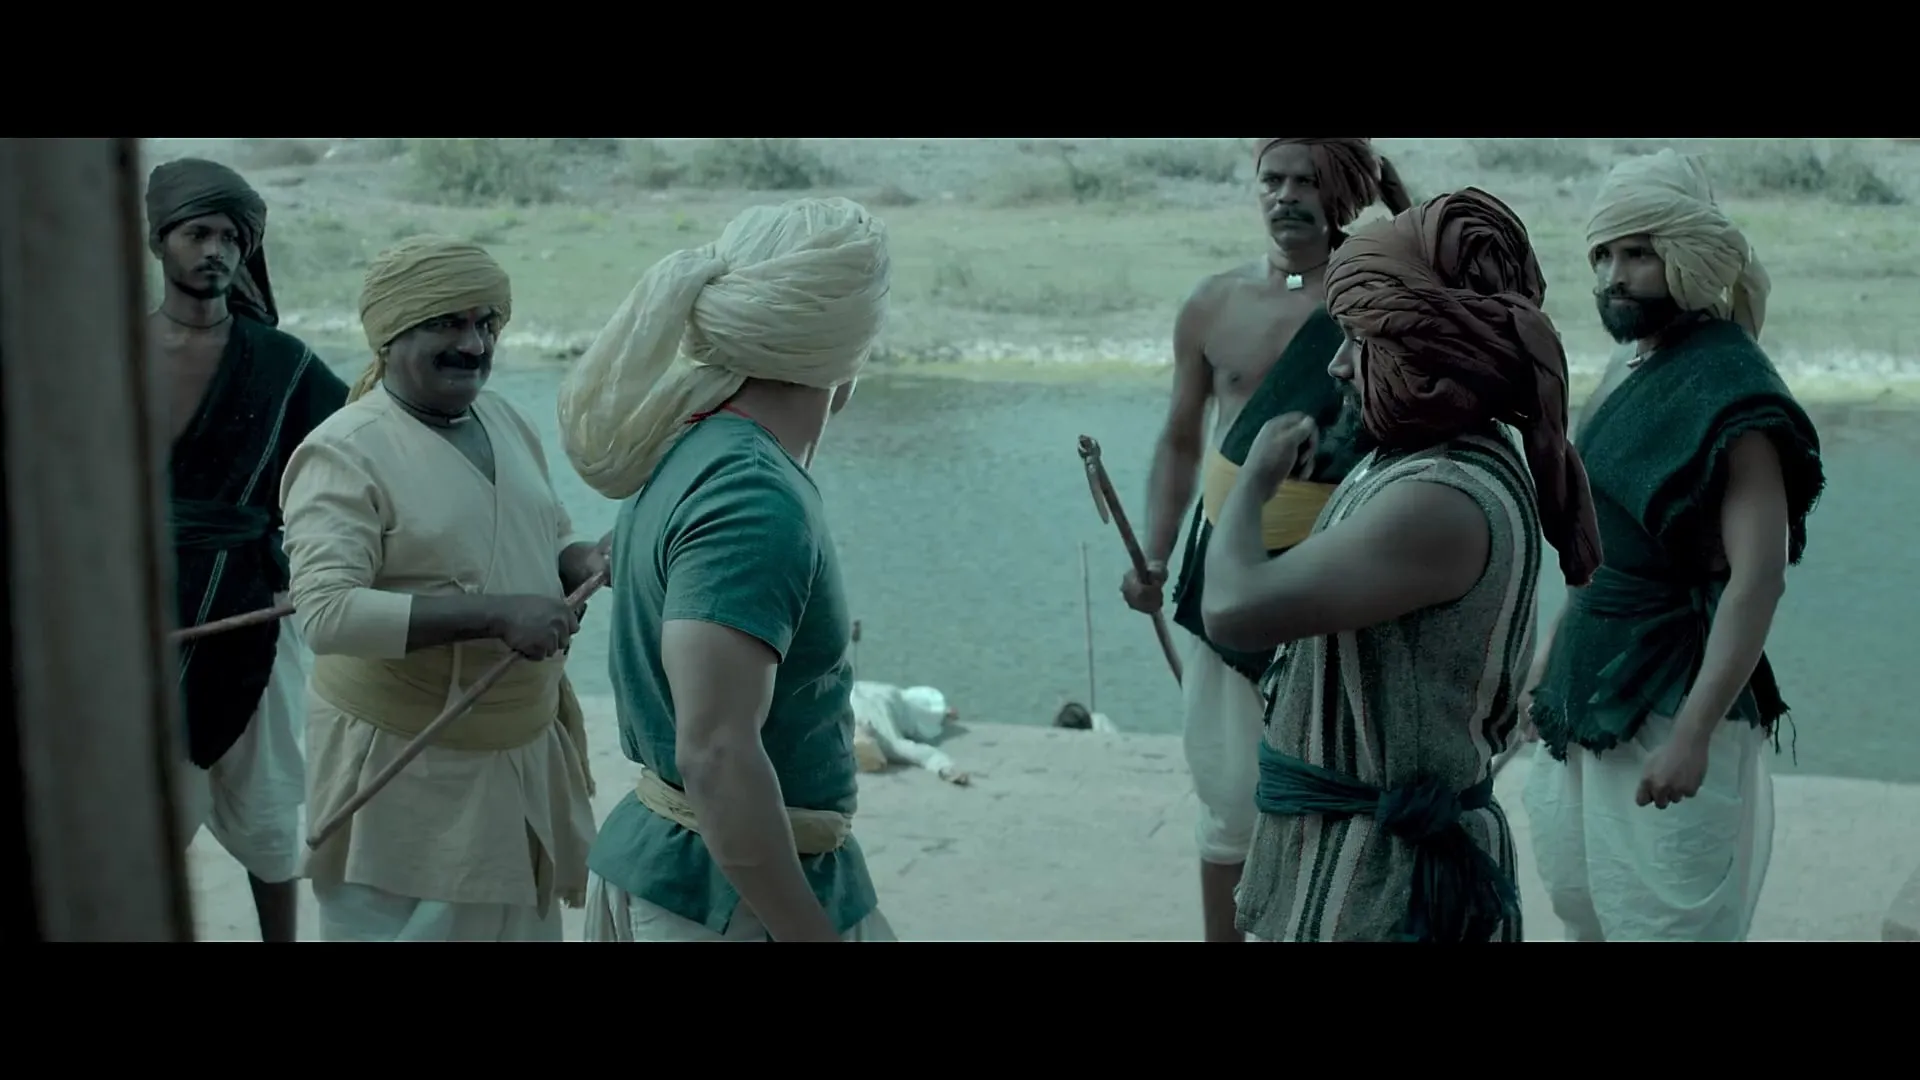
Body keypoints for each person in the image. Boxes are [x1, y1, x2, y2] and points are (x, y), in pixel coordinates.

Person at [1202, 187, 1606, 942]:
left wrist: (1252, 485)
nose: (1337, 366)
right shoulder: (1414, 460)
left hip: (1386, 893)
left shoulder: (1439, 497)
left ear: (1429, 355)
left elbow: (1231, 608)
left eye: (1360, 341)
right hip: (1352, 871)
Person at [557, 196, 895, 942]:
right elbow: (716, 754)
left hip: (704, 875)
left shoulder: (696, 446)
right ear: (848, 346)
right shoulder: (752, 493)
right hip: (721, 899)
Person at [1520, 149, 1825, 942]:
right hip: (1587, 677)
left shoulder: (1734, 392)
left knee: (1664, 925)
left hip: (1671, 689)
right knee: (1582, 902)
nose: (1613, 277)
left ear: (1687, 258)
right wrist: (1547, 659)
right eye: (1604, 255)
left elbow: (1758, 579)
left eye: (1639, 254)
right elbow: (1597, 544)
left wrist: (1692, 733)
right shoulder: (1628, 365)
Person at [1122, 138, 1411, 941]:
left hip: (1342, 576)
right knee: (1227, 796)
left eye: (1307, 181)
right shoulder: (1213, 303)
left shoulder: (1385, 297)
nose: (1286, 196)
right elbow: (1181, 440)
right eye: (1273, 180)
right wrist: (1154, 554)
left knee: (1341, 784)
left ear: (1344, 193)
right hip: (1224, 569)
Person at [279, 235, 601, 942]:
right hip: (400, 771)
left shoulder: (505, 419)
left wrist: (582, 559)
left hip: (519, 755)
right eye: (448, 324)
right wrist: (495, 614)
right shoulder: (342, 450)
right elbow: (326, 615)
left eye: (487, 324)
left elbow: (545, 535)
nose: (474, 345)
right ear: (390, 335)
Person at [148, 157, 348, 943]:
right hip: (131, 617)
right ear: (159, 240)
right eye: (198, 233)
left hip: (255, 615)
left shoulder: (282, 362)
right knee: (141, 812)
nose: (216, 251)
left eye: (233, 238)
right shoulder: (106, 354)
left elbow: (353, 462)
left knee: (269, 817)